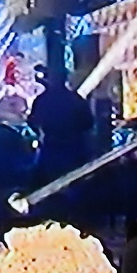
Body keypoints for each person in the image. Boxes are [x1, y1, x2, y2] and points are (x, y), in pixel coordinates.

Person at [27, 64, 95, 223]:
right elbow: (89, 123)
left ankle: (47, 217)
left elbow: (32, 121)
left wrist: (44, 132)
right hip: (74, 148)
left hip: (52, 148)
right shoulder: (75, 99)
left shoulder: (43, 100)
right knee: (74, 184)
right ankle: (73, 218)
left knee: (44, 183)